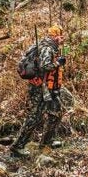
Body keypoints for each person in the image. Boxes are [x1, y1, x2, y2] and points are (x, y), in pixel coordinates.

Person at [10, 25, 67, 157]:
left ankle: (46, 143)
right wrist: (58, 63)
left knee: (56, 113)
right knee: (34, 117)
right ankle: (17, 146)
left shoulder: (52, 47)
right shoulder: (47, 48)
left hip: (51, 88)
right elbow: (45, 66)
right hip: (40, 88)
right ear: (54, 36)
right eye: (60, 36)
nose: (62, 39)